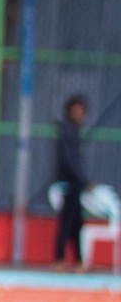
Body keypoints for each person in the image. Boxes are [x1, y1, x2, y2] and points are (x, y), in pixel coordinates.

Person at [53, 95, 89, 271]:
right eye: (76, 110)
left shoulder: (74, 130)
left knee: (76, 225)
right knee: (67, 224)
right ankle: (59, 259)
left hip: (76, 185)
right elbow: (70, 161)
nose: (79, 114)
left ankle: (78, 261)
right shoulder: (67, 131)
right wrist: (83, 180)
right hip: (71, 185)